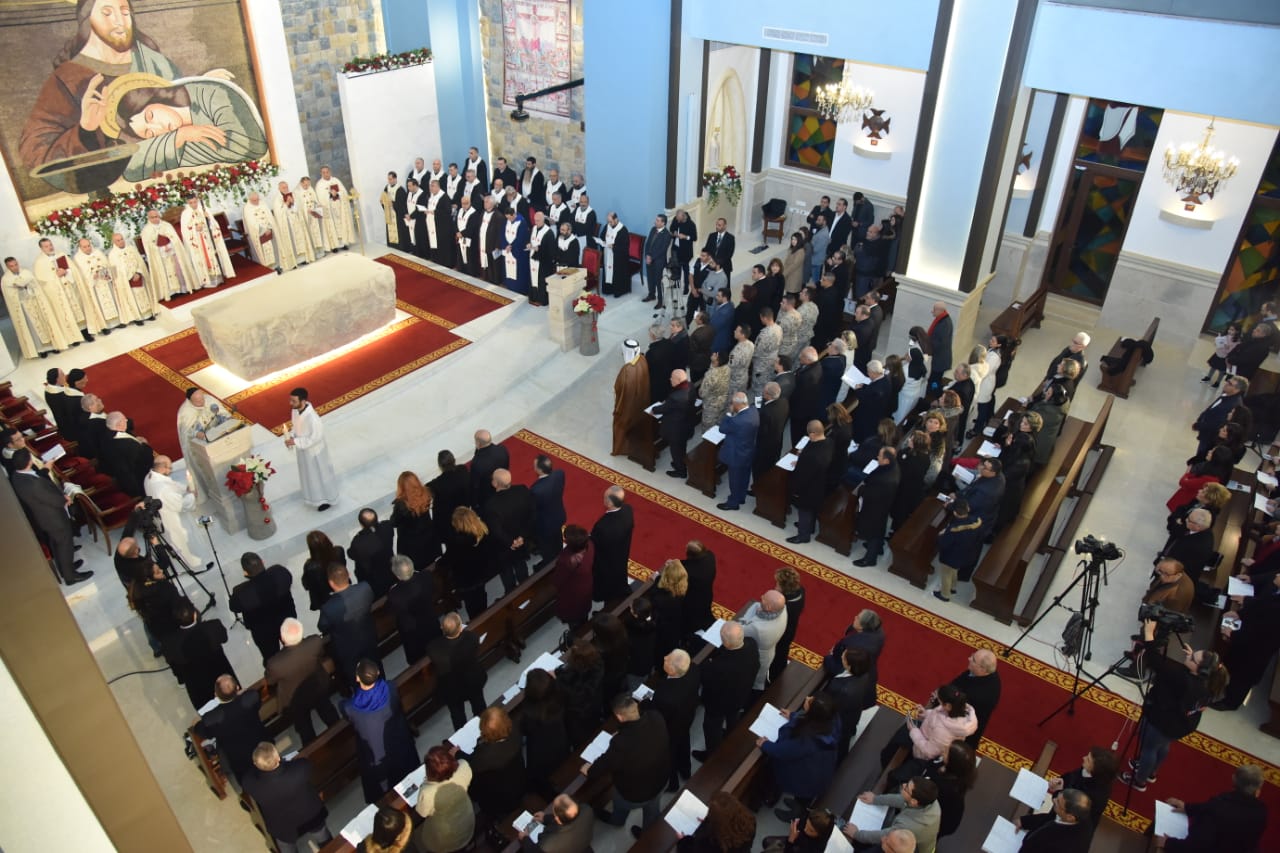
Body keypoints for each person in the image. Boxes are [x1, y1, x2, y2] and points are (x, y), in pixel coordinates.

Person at [1120, 619, 1229, 791]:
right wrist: (1193, 658)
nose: (1189, 655)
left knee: (1149, 749)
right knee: (1163, 746)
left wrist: (1148, 634)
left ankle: (1139, 781)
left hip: (1163, 721)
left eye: (1192, 657)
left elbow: (1155, 661)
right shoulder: (1210, 683)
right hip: (1182, 724)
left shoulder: (1180, 679)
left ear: (1199, 670)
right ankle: (1152, 772)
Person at [585, 695, 670, 838]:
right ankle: (648, 834)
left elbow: (602, 766)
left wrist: (589, 770)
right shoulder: (656, 717)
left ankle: (617, 820)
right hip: (660, 780)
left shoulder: (620, 743)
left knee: (620, 806)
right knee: (652, 810)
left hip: (635, 794)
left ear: (619, 717)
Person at [9, 449, 91, 584]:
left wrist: (46, 469)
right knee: (64, 545)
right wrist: (65, 499)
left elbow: (36, 477)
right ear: (29, 462)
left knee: (56, 545)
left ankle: (65, 569)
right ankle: (71, 577)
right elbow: (51, 499)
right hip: (54, 518)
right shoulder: (34, 484)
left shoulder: (16, 476)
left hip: (44, 518)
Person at [344, 659, 417, 804]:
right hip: (400, 742)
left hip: (376, 755)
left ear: (357, 678)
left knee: (387, 792)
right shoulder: (390, 688)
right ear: (378, 673)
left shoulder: (350, 707)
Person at [761, 693, 841, 822]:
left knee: (803, 799)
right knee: (804, 798)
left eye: (810, 701)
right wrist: (793, 716)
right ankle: (798, 807)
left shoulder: (807, 739)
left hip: (808, 779)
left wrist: (765, 744)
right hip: (820, 770)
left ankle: (795, 816)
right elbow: (811, 721)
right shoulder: (832, 720)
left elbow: (785, 751)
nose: (807, 698)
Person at [241, 742, 332, 852]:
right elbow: (305, 762)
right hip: (311, 814)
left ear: (256, 764)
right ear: (278, 758)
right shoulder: (299, 770)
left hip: (283, 827)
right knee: (324, 838)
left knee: (286, 847)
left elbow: (248, 776)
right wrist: (284, 763)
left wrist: (260, 765)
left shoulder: (251, 784)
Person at [1156, 764, 1267, 852]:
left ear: (1233, 779)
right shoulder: (1261, 811)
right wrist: (1187, 807)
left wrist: (1168, 843)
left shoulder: (1219, 806)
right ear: (1258, 790)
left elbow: (1197, 845)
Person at [265, 618, 339, 745]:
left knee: (305, 728)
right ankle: (340, 734)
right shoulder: (314, 642)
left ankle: (312, 749)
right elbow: (321, 653)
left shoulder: (275, 664)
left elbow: (270, 680)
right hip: (318, 686)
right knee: (328, 712)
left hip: (295, 699)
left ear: (282, 639)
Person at [1215, 570, 1280, 710]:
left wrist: (1233, 634)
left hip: (1258, 647)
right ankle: (1221, 685)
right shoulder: (1275, 590)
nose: (1276, 575)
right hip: (1247, 635)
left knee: (1244, 676)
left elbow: (1262, 634)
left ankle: (1230, 702)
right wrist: (1240, 614)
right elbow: (1261, 606)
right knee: (1232, 663)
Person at [696, 620, 760, 756]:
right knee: (733, 718)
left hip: (718, 705)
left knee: (712, 728)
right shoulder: (752, 644)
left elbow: (706, 680)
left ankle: (711, 755)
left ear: (726, 643)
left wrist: (709, 663)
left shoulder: (718, 668)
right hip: (741, 696)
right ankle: (731, 735)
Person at [193, 674, 269, 783]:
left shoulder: (212, 718)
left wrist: (196, 720)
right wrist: (240, 694)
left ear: (216, 695)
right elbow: (251, 694)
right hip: (262, 743)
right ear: (237, 688)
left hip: (239, 759)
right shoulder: (250, 698)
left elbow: (199, 730)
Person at [163, 599, 236, 710]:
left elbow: (174, 666)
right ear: (195, 614)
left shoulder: (170, 643)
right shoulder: (213, 625)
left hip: (197, 686)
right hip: (222, 673)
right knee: (233, 702)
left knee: (208, 711)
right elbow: (224, 638)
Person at [317, 564, 378, 689]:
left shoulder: (329, 607)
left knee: (356, 680)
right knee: (376, 668)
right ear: (348, 575)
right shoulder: (364, 588)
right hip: (369, 638)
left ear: (331, 583)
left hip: (348, 650)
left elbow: (322, 626)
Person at [2, 256, 77, 358]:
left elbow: (35, 285)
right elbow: (10, 295)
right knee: (33, 328)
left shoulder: (26, 272)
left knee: (45, 323)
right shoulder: (6, 279)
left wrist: (27, 285)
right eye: (11, 266)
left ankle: (52, 346)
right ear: (7, 267)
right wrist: (20, 287)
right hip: (24, 306)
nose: (15, 267)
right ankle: (41, 350)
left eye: (16, 264)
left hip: (36, 302)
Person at [229, 551, 296, 664]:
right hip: (287, 619)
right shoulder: (279, 572)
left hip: (263, 633)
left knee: (272, 659)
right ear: (262, 562)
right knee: (295, 646)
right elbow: (289, 579)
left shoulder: (241, 592)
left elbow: (234, 607)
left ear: (245, 572)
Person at [842, 778, 941, 852]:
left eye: (906, 788)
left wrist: (856, 834)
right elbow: (903, 800)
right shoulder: (930, 801)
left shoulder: (909, 827)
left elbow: (885, 836)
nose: (903, 785)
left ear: (914, 801)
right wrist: (876, 799)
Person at [426, 612, 487, 730]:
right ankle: (484, 727)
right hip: (472, 680)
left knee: (457, 715)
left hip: (451, 688)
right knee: (479, 705)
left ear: (442, 628)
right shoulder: (471, 638)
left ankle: (461, 735)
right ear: (460, 628)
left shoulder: (433, 648)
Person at [650, 648, 701, 791]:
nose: (665, 657)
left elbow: (657, 714)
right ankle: (685, 770)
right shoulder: (694, 669)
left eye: (668, 659)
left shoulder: (664, 695)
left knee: (669, 753)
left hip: (671, 727)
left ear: (672, 670)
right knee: (684, 741)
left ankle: (672, 783)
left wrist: (647, 704)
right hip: (686, 717)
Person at [468, 707, 527, 820]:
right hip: (519, 785)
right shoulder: (515, 731)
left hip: (499, 801)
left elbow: (475, 781)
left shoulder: (483, 757)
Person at [521, 669, 571, 799]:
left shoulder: (529, 711)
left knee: (541, 773)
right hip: (560, 739)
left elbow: (525, 730)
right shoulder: (559, 696)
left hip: (540, 749)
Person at [1046, 746, 1117, 836]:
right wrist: (1060, 780)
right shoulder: (1088, 771)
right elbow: (1071, 776)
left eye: (1088, 760)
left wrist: (1057, 792)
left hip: (1069, 827)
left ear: (1096, 769)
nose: (1083, 758)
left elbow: (1067, 806)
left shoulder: (1094, 794)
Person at [286, 387, 337, 512]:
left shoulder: (313, 418)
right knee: (309, 476)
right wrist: (292, 437)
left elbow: (315, 438)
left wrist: (296, 442)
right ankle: (313, 497)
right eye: (290, 400)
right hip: (303, 450)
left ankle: (326, 499)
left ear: (303, 401)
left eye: (294, 401)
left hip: (315, 453)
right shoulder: (295, 411)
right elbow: (296, 427)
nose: (290, 403)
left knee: (320, 476)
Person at [443, 506, 496, 618]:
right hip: (481, 573)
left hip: (466, 580)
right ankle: (485, 616)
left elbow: (447, 560)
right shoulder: (482, 530)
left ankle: (477, 621)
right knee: (481, 596)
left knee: (471, 604)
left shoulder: (456, 542)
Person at [387, 554, 440, 665]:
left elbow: (392, 611)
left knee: (419, 661)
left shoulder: (394, 594)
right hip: (431, 623)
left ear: (397, 576)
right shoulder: (425, 576)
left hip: (414, 635)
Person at [854, 446, 901, 567]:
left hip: (876, 507)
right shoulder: (891, 467)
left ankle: (870, 559)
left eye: (880, 456)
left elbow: (871, 493)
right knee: (877, 530)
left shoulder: (885, 479)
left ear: (886, 460)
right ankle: (877, 548)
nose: (877, 457)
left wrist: (862, 490)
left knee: (874, 532)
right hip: (881, 506)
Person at [140, 208, 199, 301]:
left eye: (156, 216)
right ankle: (171, 292)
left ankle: (183, 288)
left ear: (159, 216)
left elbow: (175, 239)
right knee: (165, 273)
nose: (155, 219)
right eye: (152, 217)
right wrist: (161, 248)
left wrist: (170, 245)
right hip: (160, 257)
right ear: (149, 218)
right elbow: (148, 247)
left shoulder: (166, 225)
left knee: (178, 270)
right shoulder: (146, 231)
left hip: (172, 252)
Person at [787, 420, 831, 544]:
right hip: (820, 484)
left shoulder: (812, 457)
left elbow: (803, 476)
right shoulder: (828, 442)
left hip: (808, 488)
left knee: (804, 510)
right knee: (811, 510)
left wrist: (795, 490)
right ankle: (809, 527)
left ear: (813, 434)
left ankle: (803, 536)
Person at [931, 500, 984, 603]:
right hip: (966, 554)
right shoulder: (976, 522)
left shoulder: (954, 529)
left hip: (950, 557)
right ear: (968, 508)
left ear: (955, 513)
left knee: (946, 574)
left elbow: (944, 544)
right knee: (954, 571)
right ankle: (953, 588)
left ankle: (944, 595)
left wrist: (941, 535)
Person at [179, 195, 236, 288]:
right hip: (197, 240)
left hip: (207, 238)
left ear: (197, 200)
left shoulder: (204, 209)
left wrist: (208, 218)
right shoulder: (185, 214)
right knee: (202, 258)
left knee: (211, 256)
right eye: (191, 203)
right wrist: (195, 228)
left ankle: (217, 275)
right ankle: (206, 279)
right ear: (187, 203)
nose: (193, 204)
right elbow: (185, 230)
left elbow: (213, 223)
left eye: (195, 202)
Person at [558, 638, 605, 747]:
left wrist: (557, 675)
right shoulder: (598, 666)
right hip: (595, 708)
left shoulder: (567, 682)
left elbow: (570, 696)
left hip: (577, 717)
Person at [590, 485, 634, 602]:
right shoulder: (628, 510)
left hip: (606, 560)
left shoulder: (603, 526)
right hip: (622, 553)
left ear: (609, 503)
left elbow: (594, 543)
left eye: (605, 497)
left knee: (604, 580)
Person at [950, 649, 1002, 747]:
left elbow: (955, 710)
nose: (969, 658)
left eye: (973, 660)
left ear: (983, 669)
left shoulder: (979, 695)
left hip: (959, 733)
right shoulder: (981, 673)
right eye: (972, 655)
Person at [390, 471, 440, 571]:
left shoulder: (401, 505)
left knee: (420, 569)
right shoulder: (426, 493)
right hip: (428, 537)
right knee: (430, 564)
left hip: (412, 544)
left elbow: (394, 522)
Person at [717, 391, 759, 510]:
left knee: (735, 479)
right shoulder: (754, 411)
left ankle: (733, 503)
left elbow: (722, 428)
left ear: (736, 404)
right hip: (748, 450)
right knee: (744, 476)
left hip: (736, 454)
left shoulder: (737, 421)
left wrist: (729, 414)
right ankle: (741, 497)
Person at [741, 589, 789, 691]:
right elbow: (757, 605)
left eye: (764, 598)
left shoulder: (758, 629)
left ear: (768, 608)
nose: (761, 596)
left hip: (756, 656)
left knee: (754, 679)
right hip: (769, 652)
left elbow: (740, 630)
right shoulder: (782, 609)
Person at [520, 793, 595, 853]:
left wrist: (525, 838)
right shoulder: (587, 810)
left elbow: (533, 851)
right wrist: (545, 818)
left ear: (558, 819)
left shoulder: (548, 846)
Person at [552, 524, 594, 628]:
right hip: (587, 588)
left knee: (575, 619)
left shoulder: (567, 561)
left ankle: (577, 631)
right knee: (583, 613)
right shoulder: (590, 545)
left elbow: (558, 581)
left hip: (573, 596)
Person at [657, 368, 695, 479]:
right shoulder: (691, 386)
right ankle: (680, 462)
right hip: (687, 424)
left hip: (676, 429)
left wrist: (654, 409)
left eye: (672, 378)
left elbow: (664, 408)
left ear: (678, 380)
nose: (670, 379)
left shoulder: (675, 397)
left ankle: (680, 471)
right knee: (682, 447)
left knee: (676, 450)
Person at [530, 454, 567, 567]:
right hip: (558, 516)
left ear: (539, 470)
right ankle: (560, 556)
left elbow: (533, 509)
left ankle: (549, 566)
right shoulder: (560, 474)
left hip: (545, 524)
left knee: (547, 548)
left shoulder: (536, 490)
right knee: (557, 539)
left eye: (534, 466)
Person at [649, 559, 689, 660]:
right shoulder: (682, 587)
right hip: (677, 627)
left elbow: (655, 593)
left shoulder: (661, 599)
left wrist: (657, 578)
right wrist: (672, 567)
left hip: (663, 632)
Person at [300, 530, 345, 611]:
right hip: (341, 587)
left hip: (324, 598)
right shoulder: (339, 551)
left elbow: (306, 585)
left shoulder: (310, 566)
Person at [470, 428, 510, 509]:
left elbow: (475, 485)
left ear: (478, 443)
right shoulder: (502, 449)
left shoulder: (477, 463)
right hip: (501, 485)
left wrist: (474, 503)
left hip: (486, 495)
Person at [501, 203, 531, 294]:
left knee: (518, 272)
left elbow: (521, 237)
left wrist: (512, 246)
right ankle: (510, 286)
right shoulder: (506, 221)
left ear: (514, 214)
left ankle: (519, 289)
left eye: (510, 218)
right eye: (507, 218)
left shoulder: (522, 222)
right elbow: (502, 233)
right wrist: (505, 245)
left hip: (517, 251)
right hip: (508, 250)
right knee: (508, 269)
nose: (509, 220)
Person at [380, 171, 410, 250]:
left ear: (395, 179)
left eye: (390, 179)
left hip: (398, 216)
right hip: (389, 213)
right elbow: (383, 198)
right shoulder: (387, 188)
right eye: (388, 179)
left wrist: (393, 204)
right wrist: (383, 202)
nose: (389, 181)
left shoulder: (400, 189)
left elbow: (403, 204)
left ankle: (401, 248)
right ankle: (392, 246)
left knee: (400, 233)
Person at [926, 302, 953, 392]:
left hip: (940, 361)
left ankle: (934, 393)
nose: (932, 311)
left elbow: (940, 342)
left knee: (935, 381)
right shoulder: (941, 320)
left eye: (934, 309)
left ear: (940, 310)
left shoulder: (945, 323)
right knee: (934, 379)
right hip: (938, 359)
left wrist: (927, 346)